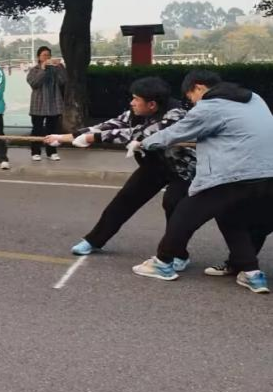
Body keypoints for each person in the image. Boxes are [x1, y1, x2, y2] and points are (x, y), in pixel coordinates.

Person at [133, 71, 273, 292]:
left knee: (184, 213)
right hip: (267, 174)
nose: (191, 102)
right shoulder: (254, 99)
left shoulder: (210, 106)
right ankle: (252, 274)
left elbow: (178, 131)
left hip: (232, 174)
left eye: (190, 96)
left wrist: (144, 143)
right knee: (231, 217)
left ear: (198, 87)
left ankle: (162, 263)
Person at [46, 77, 195, 258]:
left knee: (173, 204)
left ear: (152, 105)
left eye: (136, 99)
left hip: (183, 170)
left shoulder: (177, 115)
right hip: (154, 166)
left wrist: (92, 139)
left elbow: (139, 134)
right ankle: (94, 241)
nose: (131, 103)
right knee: (124, 200)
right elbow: (109, 126)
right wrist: (66, 137)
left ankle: (176, 254)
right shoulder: (134, 112)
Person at [26, 47, 66, 161]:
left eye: (48, 55)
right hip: (38, 104)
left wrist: (60, 67)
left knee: (52, 129)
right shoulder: (34, 70)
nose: (46, 57)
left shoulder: (55, 69)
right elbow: (34, 83)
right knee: (37, 129)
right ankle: (35, 152)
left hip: (53, 103)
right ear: (39, 57)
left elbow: (63, 81)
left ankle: (51, 152)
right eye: (44, 55)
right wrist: (43, 69)